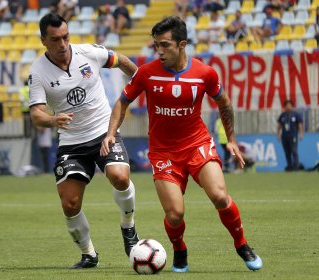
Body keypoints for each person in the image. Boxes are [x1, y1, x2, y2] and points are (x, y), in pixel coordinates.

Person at [101, 16, 262, 273]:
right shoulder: (146, 73)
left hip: (196, 143)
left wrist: (231, 139)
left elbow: (224, 103)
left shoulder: (204, 73)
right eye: (156, 45)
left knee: (220, 196)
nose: (160, 51)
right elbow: (122, 101)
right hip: (163, 151)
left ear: (182, 44)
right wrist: (111, 133)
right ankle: (179, 250)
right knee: (175, 215)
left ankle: (242, 245)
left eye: (165, 45)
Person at [28, 13, 139, 269]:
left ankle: (129, 229)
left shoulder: (89, 53)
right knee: (70, 203)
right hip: (71, 143)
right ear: (44, 40)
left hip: (103, 131)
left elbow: (121, 60)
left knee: (120, 177)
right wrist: (53, 120)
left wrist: (140, 82)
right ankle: (89, 254)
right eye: (55, 39)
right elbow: (36, 114)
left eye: (66, 37)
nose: (63, 44)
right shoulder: (38, 72)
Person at [277, 99, 303, 171]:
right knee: (287, 152)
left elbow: (300, 125)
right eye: (287, 105)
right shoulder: (282, 115)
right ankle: (289, 166)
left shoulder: (296, 114)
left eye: (290, 105)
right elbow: (279, 126)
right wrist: (278, 134)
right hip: (284, 136)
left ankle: (296, 167)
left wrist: (301, 134)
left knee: (294, 151)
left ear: (292, 106)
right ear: (285, 106)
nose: (288, 106)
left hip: (293, 136)